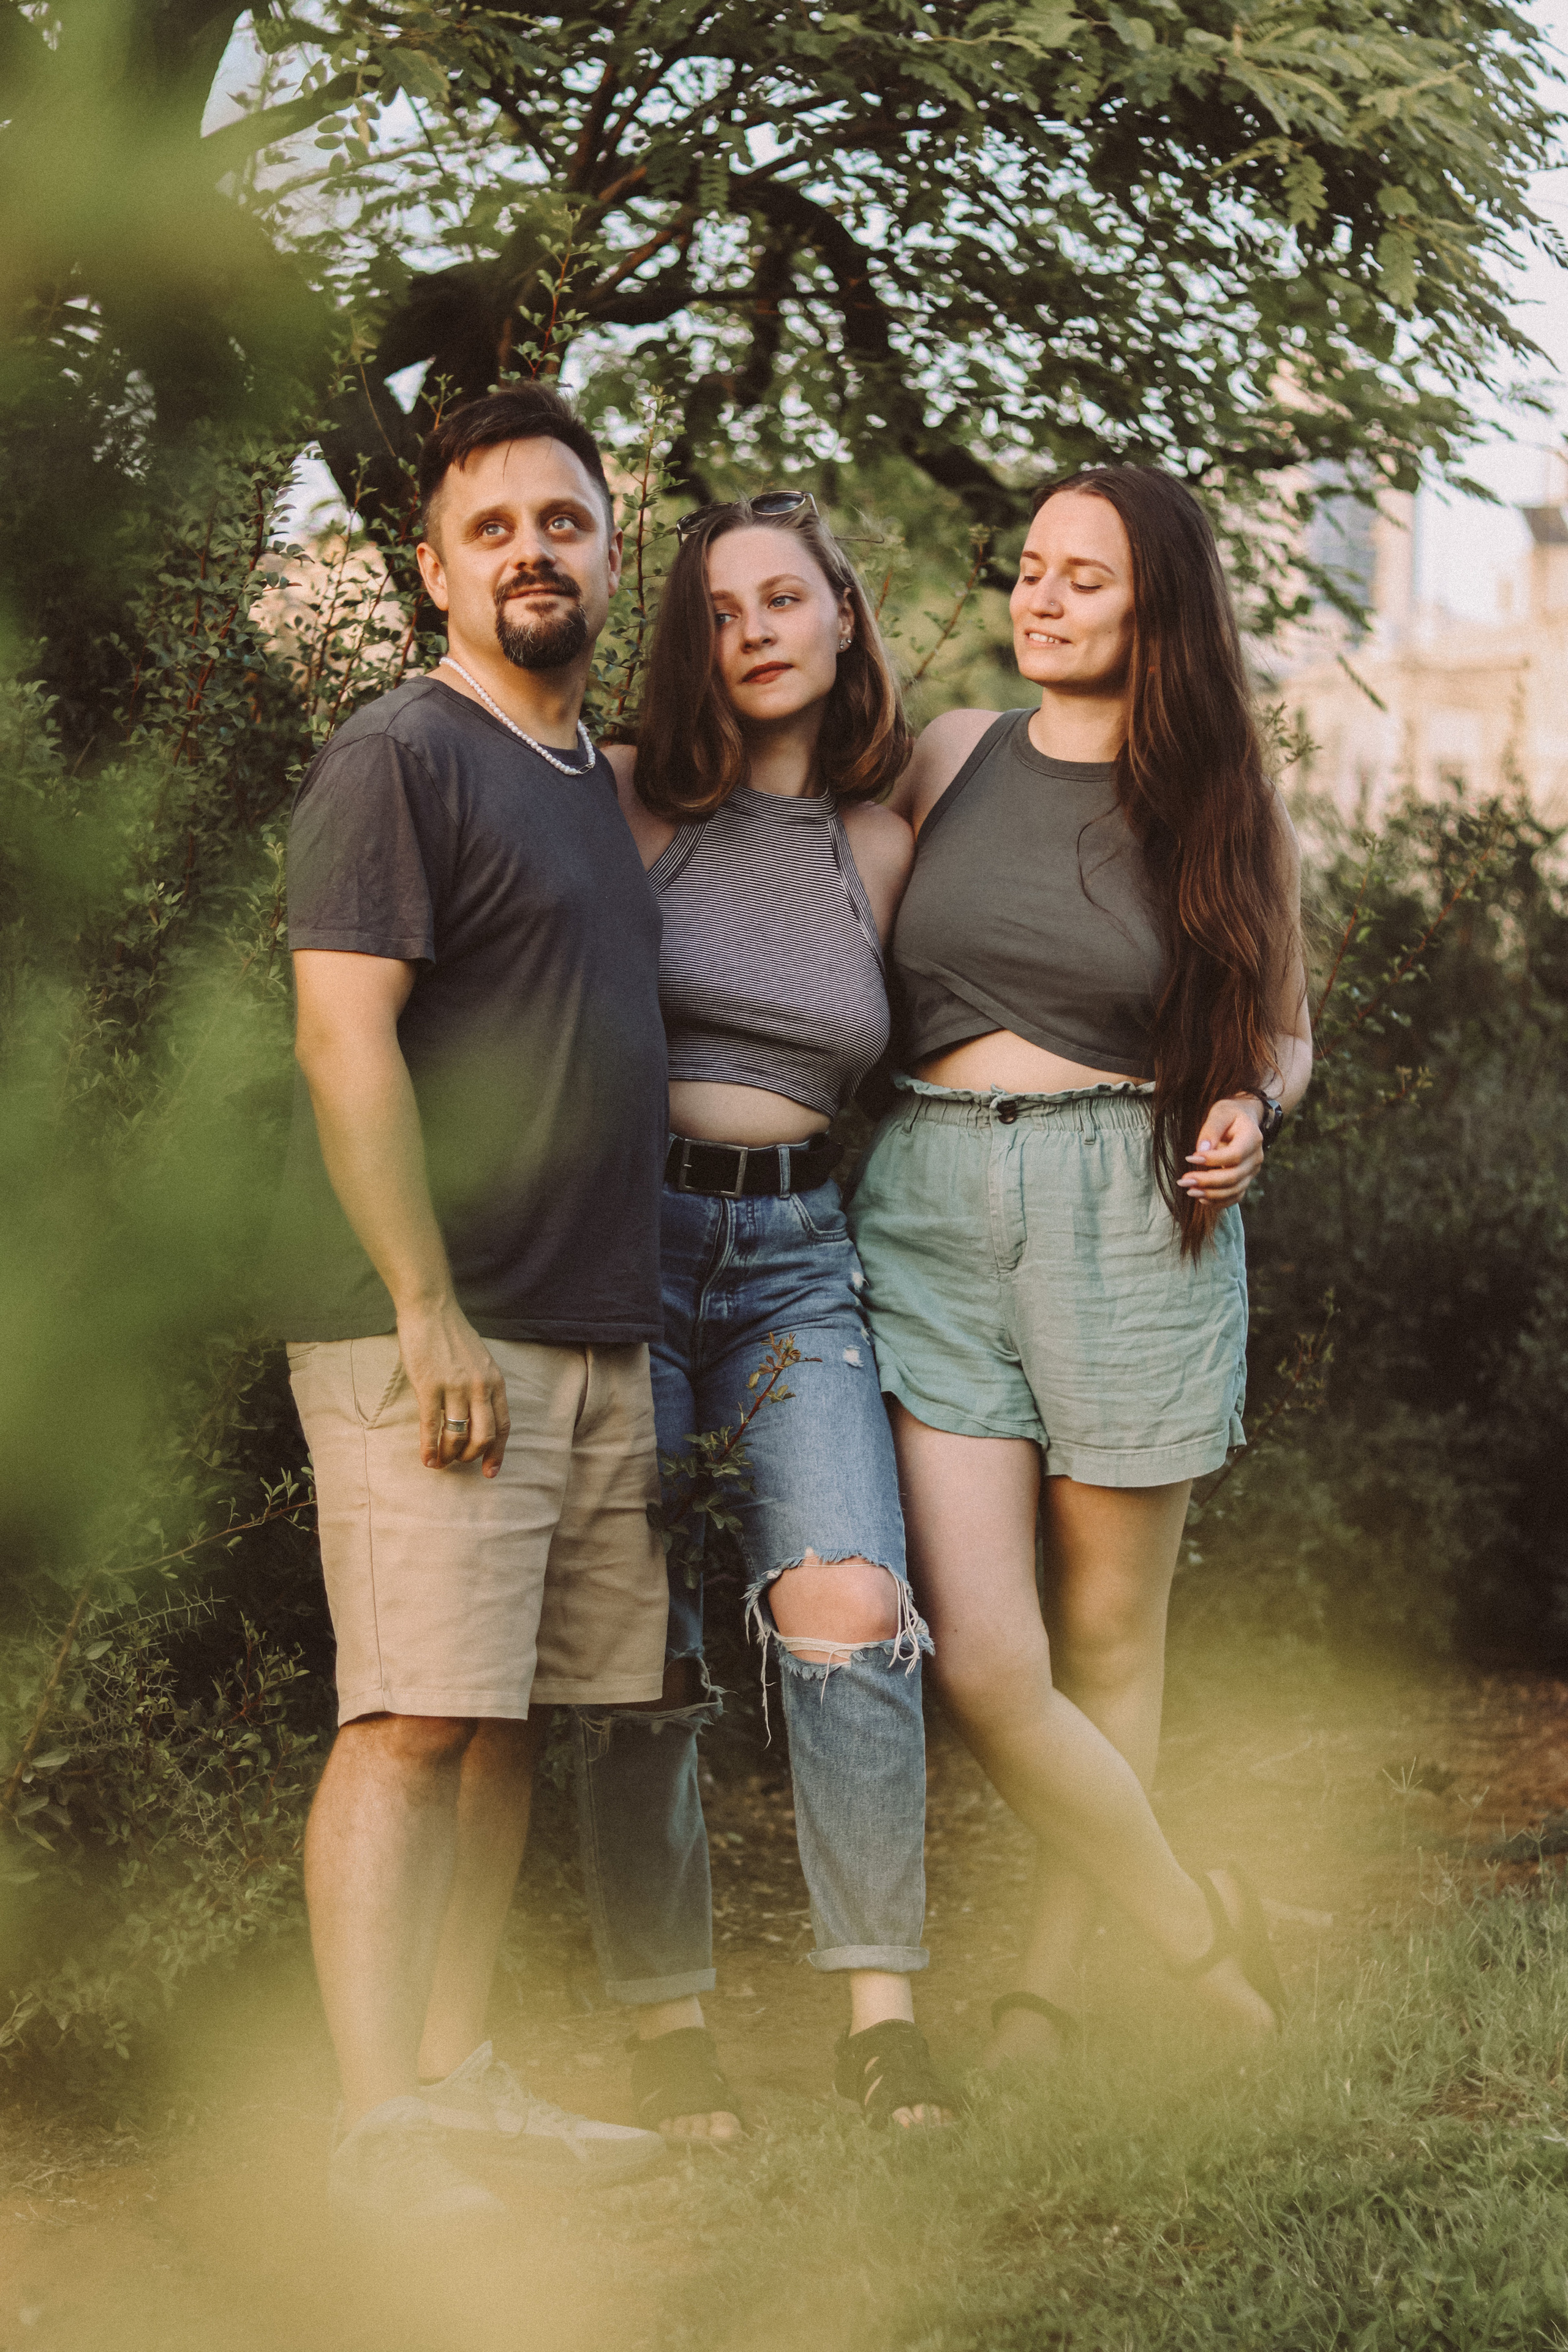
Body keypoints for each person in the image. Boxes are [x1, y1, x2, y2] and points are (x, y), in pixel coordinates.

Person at [849, 466, 1313, 2063]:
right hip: (929, 1205)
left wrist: (1252, 1102)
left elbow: (1283, 1034)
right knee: (985, 1655)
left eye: (1082, 579)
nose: (1037, 599)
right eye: (1031, 571)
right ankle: (1195, 1935)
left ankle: (1045, 1993)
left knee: (1109, 1642)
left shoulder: (1220, 800)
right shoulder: (953, 757)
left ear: (1155, 607)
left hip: (1131, 1206)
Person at [273, 385, 672, 2218]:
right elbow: (343, 1039)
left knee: (506, 1717)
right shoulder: (402, 755)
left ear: (612, 551)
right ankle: (376, 2135)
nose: (535, 552)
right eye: (495, 528)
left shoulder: (589, 779)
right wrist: (421, 1306)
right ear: (434, 570)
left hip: (584, 1322)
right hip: (437, 1325)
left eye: (564, 522)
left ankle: (461, 2076)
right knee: (410, 1718)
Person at [571, 492, 950, 2135]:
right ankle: (668, 2036)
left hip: (801, 1254)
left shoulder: (881, 842)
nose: (756, 632)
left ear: (846, 615)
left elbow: (994, 997)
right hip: (625, 1245)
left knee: (853, 1604)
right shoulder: (640, 808)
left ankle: (882, 2025)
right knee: (634, 1645)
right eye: (721, 613)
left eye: (785, 597)